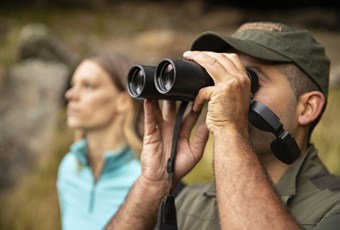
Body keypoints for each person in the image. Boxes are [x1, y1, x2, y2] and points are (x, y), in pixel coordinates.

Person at [106, 22, 340, 230]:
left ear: (307, 107)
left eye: (248, 79)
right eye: (221, 78)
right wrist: (154, 183)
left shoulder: (332, 207)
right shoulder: (189, 201)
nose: (227, 90)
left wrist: (230, 128)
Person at [56, 53, 144, 230]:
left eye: (88, 86)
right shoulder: (69, 167)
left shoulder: (144, 179)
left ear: (123, 101)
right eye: (73, 85)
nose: (70, 94)